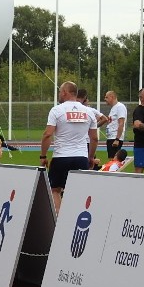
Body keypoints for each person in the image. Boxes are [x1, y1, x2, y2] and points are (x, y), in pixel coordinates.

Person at [40, 81, 97, 213]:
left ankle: (59, 218)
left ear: (65, 92)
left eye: (60, 91)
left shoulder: (57, 110)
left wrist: (43, 156)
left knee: (55, 190)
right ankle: (73, 218)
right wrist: (90, 157)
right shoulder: (88, 112)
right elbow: (94, 138)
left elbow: (48, 134)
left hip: (61, 157)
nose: (59, 94)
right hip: (81, 156)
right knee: (79, 192)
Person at [103, 90, 126, 158]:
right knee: (111, 159)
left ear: (112, 97)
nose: (105, 99)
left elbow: (121, 123)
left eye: (106, 97)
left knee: (114, 161)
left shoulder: (120, 107)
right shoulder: (113, 108)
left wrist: (117, 139)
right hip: (111, 137)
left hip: (114, 138)